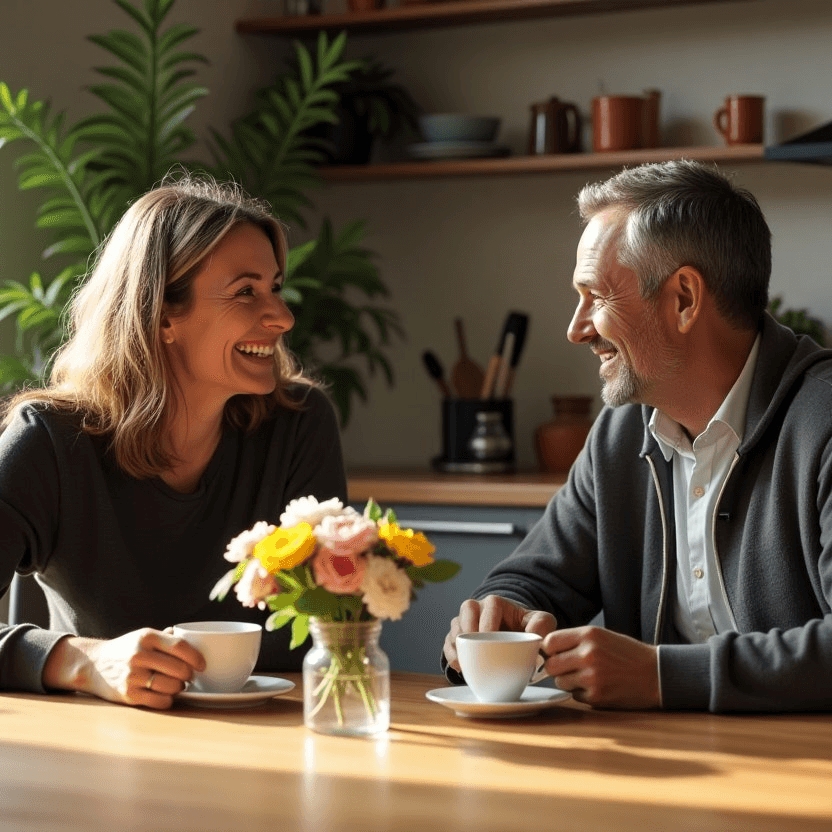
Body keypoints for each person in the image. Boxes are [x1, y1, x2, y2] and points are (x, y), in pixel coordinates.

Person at [443, 159, 832, 712]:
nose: (576, 329)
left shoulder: (823, 421)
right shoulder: (622, 433)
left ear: (684, 299)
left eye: (596, 297)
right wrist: (499, 610)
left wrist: (659, 676)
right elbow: (537, 578)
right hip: (659, 755)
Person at [0, 175, 347, 709]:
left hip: (278, 742)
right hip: (103, 750)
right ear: (162, 314)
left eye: (275, 287)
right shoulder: (49, 440)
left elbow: (339, 628)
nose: (282, 317)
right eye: (246, 291)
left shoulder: (299, 425)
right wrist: (84, 661)